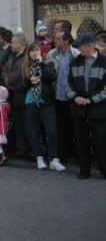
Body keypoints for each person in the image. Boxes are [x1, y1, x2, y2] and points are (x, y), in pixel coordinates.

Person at [66, 33, 106, 180]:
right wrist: (75, 97)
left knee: (100, 140)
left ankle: (104, 168)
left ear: (89, 46)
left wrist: (92, 100)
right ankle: (84, 170)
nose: (79, 50)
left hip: (98, 108)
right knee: (81, 141)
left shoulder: (103, 62)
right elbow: (68, 83)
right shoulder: (75, 62)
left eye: (81, 46)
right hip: (79, 108)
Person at [22, 42, 65, 171]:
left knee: (51, 130)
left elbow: (52, 77)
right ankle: (39, 157)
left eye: (37, 50)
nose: (34, 53)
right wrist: (29, 81)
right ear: (28, 53)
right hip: (31, 101)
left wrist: (41, 64)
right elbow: (19, 86)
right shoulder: (24, 67)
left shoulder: (47, 64)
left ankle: (54, 159)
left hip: (46, 101)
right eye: (32, 50)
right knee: (34, 130)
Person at [46, 28, 80, 163]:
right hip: (57, 95)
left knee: (74, 127)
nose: (55, 41)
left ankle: (76, 153)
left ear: (66, 41)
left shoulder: (76, 54)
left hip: (73, 96)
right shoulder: (52, 54)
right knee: (60, 126)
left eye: (58, 39)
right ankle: (63, 154)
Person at [3, 33, 31, 160]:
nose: (11, 44)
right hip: (14, 94)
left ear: (21, 43)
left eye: (13, 42)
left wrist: (11, 78)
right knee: (19, 123)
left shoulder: (27, 57)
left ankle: (31, 149)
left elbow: (23, 75)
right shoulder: (12, 56)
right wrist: (6, 78)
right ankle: (22, 149)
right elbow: (4, 69)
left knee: (28, 123)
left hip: (24, 94)